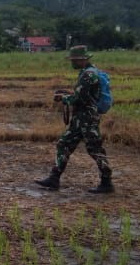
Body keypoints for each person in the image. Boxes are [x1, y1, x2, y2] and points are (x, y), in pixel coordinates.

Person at [35, 46, 114, 193]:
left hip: (87, 118)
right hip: (80, 118)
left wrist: (63, 98)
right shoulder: (87, 73)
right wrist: (69, 95)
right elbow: (84, 95)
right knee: (64, 144)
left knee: (95, 149)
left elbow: (80, 98)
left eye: (74, 60)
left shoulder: (88, 76)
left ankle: (107, 182)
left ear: (82, 60)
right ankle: (54, 178)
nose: (72, 63)